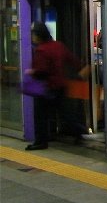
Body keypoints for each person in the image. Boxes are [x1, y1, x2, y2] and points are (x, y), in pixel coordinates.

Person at [24, 21, 86, 150]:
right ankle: (79, 132)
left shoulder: (41, 50)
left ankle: (41, 141)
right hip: (61, 86)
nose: (32, 37)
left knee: (40, 115)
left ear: (39, 35)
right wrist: (81, 70)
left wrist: (32, 71)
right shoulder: (58, 45)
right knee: (66, 114)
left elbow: (42, 70)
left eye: (33, 34)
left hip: (46, 87)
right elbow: (72, 60)